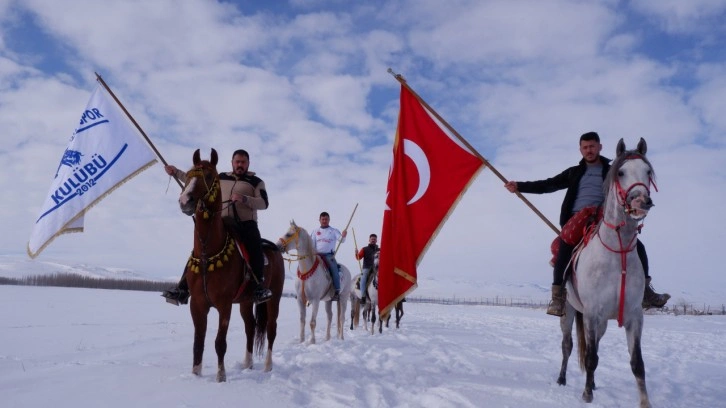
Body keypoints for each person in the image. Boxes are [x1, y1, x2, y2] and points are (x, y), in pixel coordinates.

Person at [504, 131, 670, 316]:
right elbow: (547, 184)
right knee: (565, 247)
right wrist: (519, 186)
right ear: (580, 150)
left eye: (592, 146)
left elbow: (627, 187)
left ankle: (646, 292)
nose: (589, 150)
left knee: (637, 246)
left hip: (605, 217)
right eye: (585, 147)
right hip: (577, 219)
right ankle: (558, 296)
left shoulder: (613, 170)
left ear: (600, 147)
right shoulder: (573, 173)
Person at [161, 149, 273, 305]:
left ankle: (258, 287)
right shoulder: (220, 178)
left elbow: (264, 203)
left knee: (254, 246)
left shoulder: (256, 182)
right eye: (237, 161)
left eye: (243, 162)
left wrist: (244, 199)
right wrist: (175, 172)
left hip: (245, 224)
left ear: (248, 164)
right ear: (232, 163)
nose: (240, 165)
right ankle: (183, 287)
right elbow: (196, 179)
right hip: (222, 222)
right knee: (199, 250)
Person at [310, 211, 347, 301]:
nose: (324, 221)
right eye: (322, 219)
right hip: (317, 255)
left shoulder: (333, 231)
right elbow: (311, 244)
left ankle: (336, 291)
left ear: (329, 220)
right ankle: (304, 291)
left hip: (328, 255)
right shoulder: (315, 231)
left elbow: (341, 240)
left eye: (326, 219)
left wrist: (343, 236)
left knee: (334, 269)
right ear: (319, 220)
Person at [355, 234, 379, 305]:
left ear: (376, 240)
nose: (373, 240)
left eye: (374, 239)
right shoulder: (364, 249)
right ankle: (363, 296)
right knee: (363, 278)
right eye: (372, 239)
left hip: (377, 269)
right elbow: (358, 257)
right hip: (367, 268)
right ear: (369, 240)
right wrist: (356, 253)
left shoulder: (379, 250)